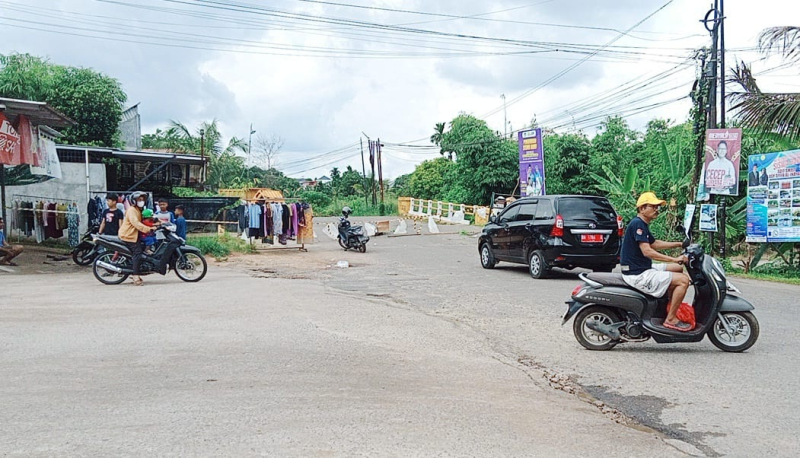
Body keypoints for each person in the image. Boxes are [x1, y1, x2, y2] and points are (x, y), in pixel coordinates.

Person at [620, 192, 692, 332]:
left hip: (642, 267)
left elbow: (654, 244)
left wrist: (679, 244)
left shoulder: (642, 224)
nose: (656, 210)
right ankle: (670, 319)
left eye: (657, 207)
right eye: (653, 206)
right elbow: (648, 251)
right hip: (637, 273)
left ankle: (669, 308)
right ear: (642, 209)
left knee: (677, 269)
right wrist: (674, 259)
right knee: (683, 280)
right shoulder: (638, 225)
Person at [119, 192, 156, 286]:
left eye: (142, 199)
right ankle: (135, 275)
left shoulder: (139, 210)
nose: (141, 201)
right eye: (139, 199)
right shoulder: (132, 210)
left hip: (135, 235)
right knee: (137, 253)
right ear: (133, 200)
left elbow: (146, 219)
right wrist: (148, 229)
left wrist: (157, 223)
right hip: (129, 235)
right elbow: (136, 223)